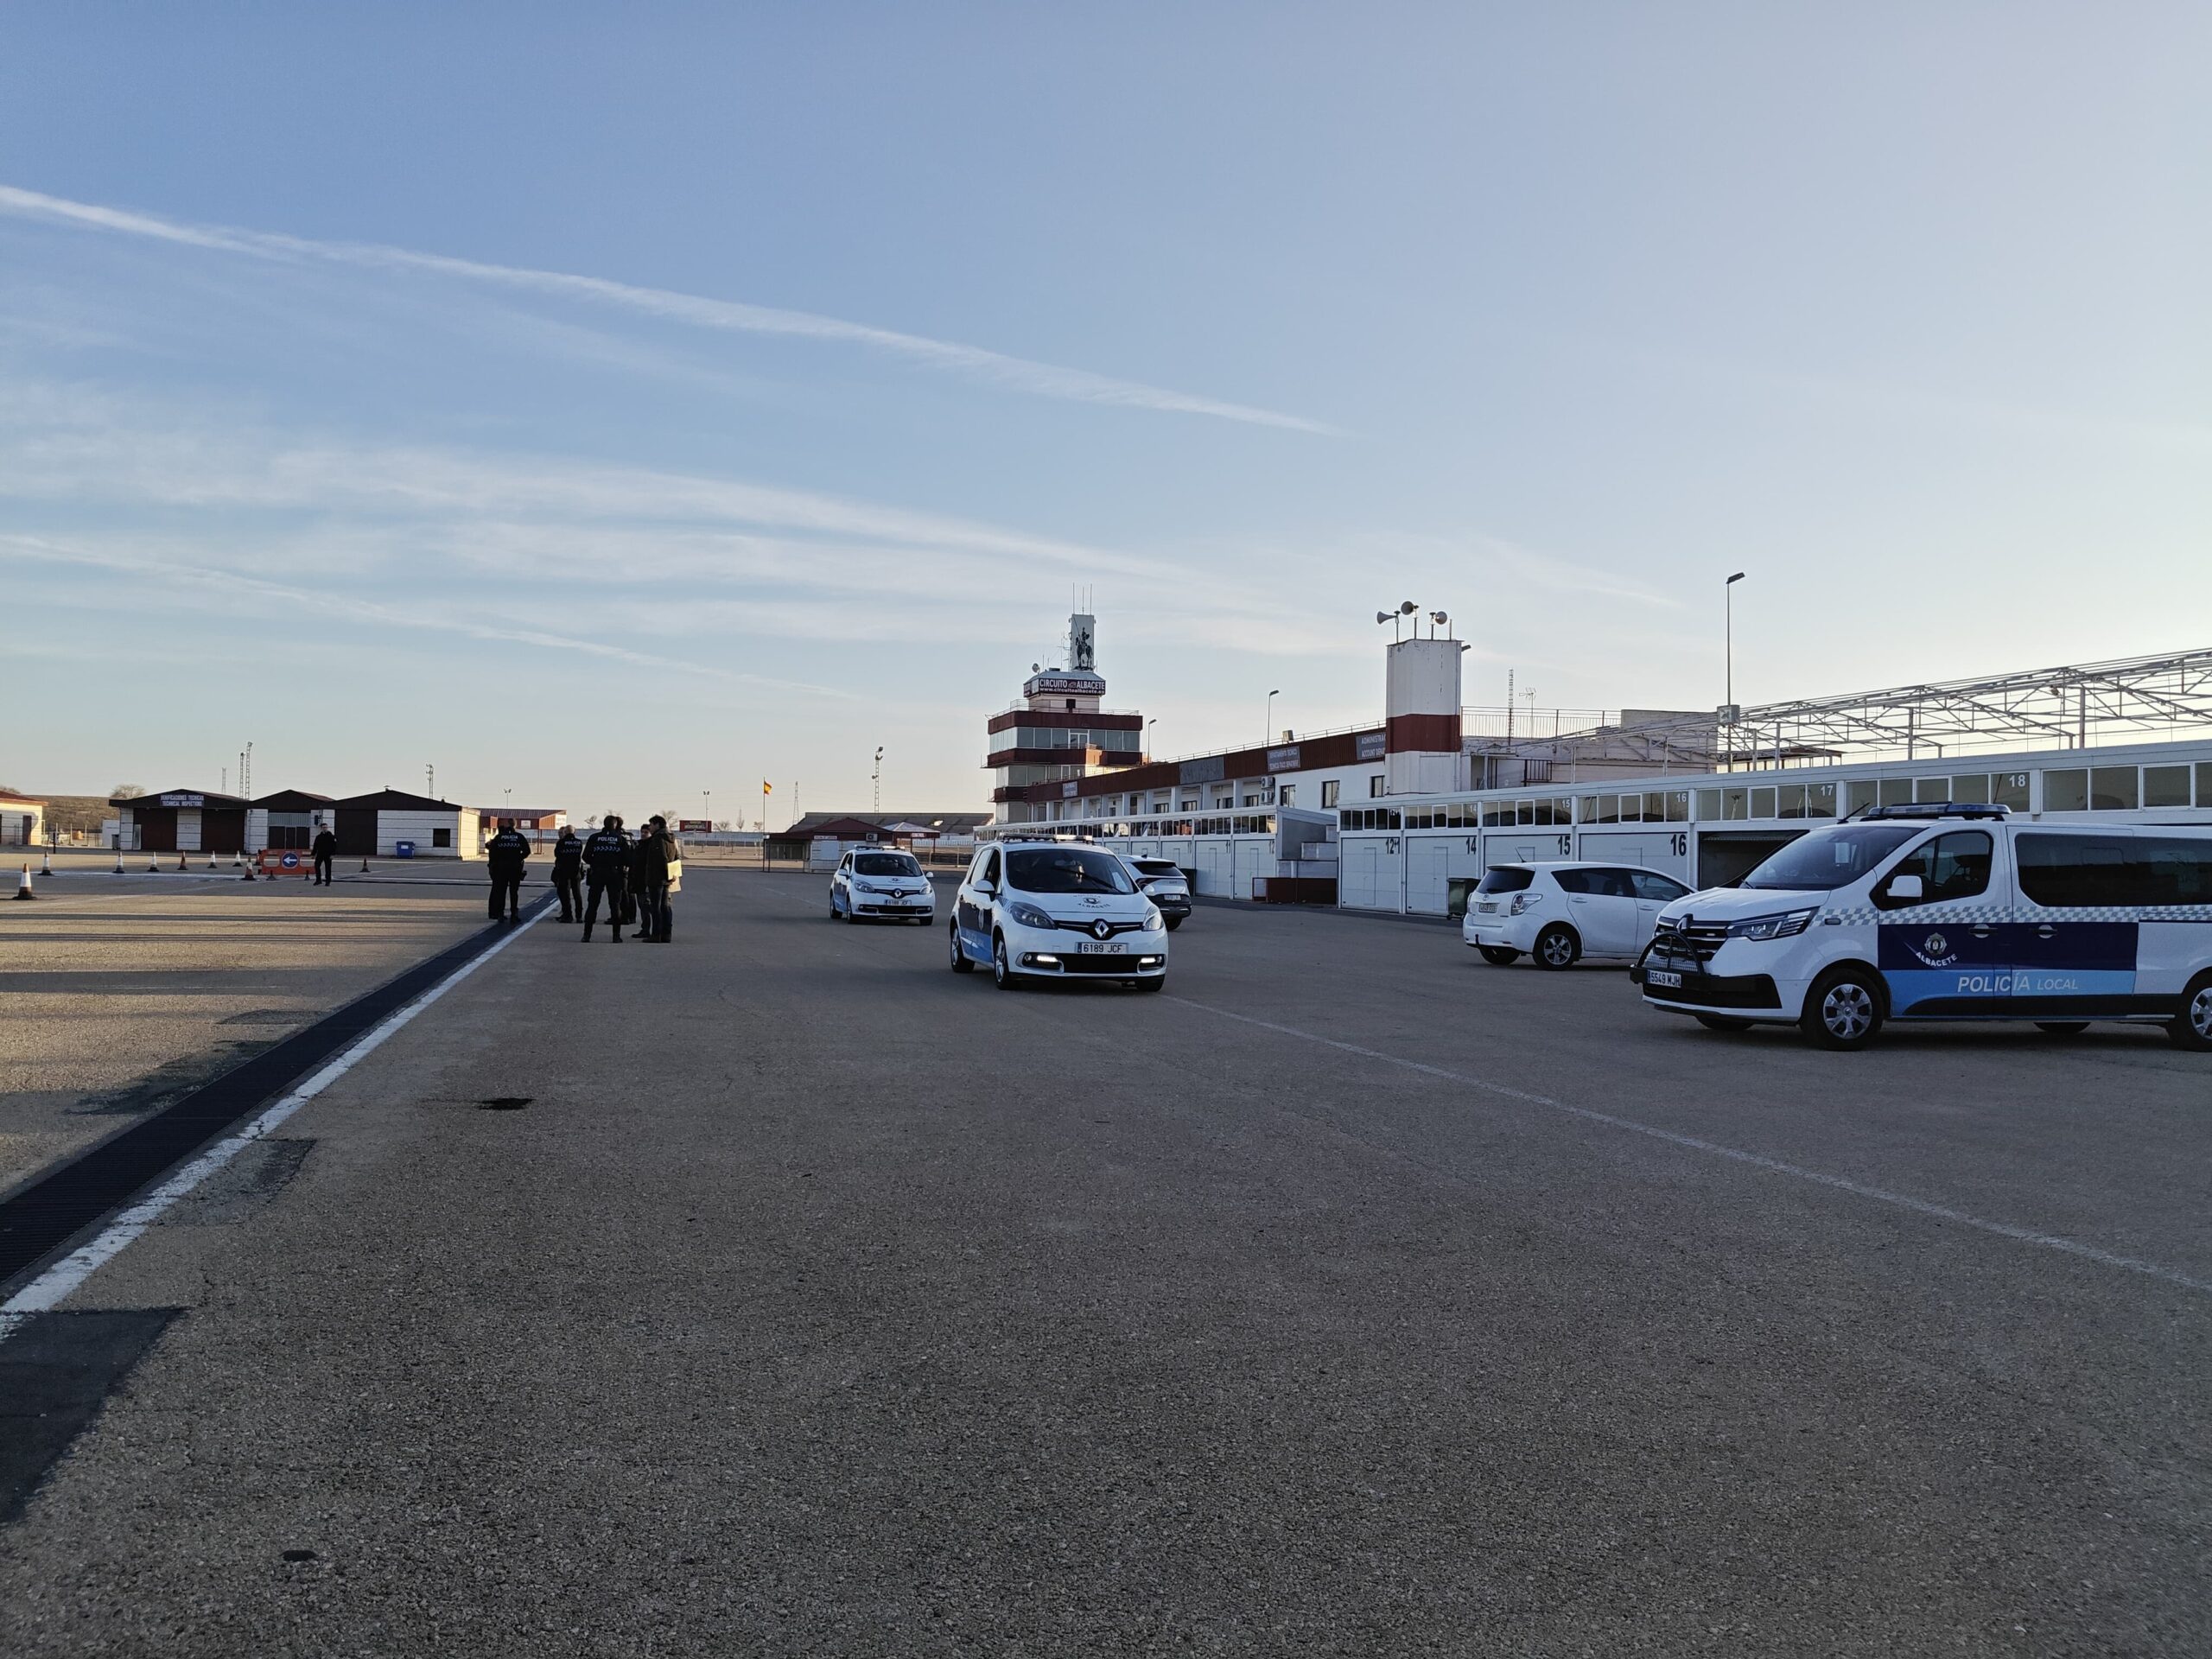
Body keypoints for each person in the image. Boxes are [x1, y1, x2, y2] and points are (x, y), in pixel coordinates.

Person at [581, 814, 630, 943]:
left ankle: (587, 935)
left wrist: (596, 862)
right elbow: (628, 859)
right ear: (615, 825)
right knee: (615, 905)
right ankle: (616, 936)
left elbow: (585, 856)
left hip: (597, 873)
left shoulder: (594, 838)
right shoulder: (620, 839)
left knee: (592, 905)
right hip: (614, 874)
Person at [632, 816, 675, 943]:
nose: (649, 827)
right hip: (667, 878)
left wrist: (664, 873)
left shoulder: (658, 839)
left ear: (657, 825)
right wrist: (672, 874)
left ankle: (656, 934)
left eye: (651, 825)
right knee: (665, 907)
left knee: (656, 907)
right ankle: (667, 934)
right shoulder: (671, 839)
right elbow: (675, 857)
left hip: (656, 878)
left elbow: (662, 858)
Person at [485, 817, 531, 923]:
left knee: (501, 891)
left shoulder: (499, 837)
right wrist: (519, 858)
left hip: (501, 869)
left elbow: (492, 852)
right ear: (516, 825)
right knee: (514, 892)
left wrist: (495, 863)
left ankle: (501, 914)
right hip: (515, 868)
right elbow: (527, 851)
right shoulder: (519, 837)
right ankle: (514, 914)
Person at [550, 824, 584, 923]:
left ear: (565, 832)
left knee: (565, 894)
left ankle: (567, 915)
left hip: (564, 871)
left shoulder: (561, 842)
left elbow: (557, 854)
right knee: (577, 894)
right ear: (574, 832)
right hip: (576, 871)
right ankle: (579, 916)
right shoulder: (579, 842)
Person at [310, 823, 337, 887]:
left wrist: (333, 854)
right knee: (317, 866)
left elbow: (334, 846)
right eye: (323, 827)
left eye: (326, 827)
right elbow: (315, 846)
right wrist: (313, 854)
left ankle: (328, 881)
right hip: (320, 854)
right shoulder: (318, 837)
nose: (325, 828)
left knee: (328, 868)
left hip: (328, 855)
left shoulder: (331, 836)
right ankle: (318, 880)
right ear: (321, 828)